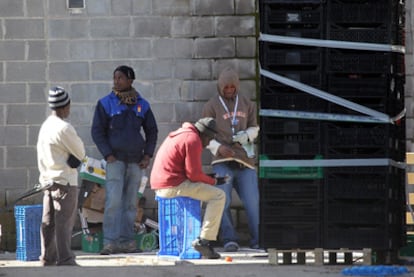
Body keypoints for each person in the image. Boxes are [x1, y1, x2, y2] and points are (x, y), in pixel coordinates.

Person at [91, 65, 158, 255]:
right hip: (115, 161)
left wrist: (148, 155)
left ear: (130, 80)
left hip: (136, 162)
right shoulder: (105, 103)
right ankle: (110, 242)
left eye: (120, 78)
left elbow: (152, 131)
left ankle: (127, 241)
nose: (116, 81)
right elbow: (97, 131)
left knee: (130, 203)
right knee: (113, 202)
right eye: (115, 78)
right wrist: (107, 154)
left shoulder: (142, 105)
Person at [150, 117, 226, 259]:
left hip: (163, 184)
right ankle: (204, 241)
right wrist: (213, 181)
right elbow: (194, 174)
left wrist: (208, 178)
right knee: (218, 195)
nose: (208, 143)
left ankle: (202, 240)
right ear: (205, 135)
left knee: (205, 190)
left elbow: (188, 172)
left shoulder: (180, 133)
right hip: (172, 186)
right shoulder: (193, 140)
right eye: (209, 139)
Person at [202, 67, 260, 252]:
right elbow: (203, 134)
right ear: (220, 87)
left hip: (245, 161)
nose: (229, 90)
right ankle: (229, 239)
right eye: (226, 87)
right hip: (222, 162)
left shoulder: (246, 104)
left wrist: (247, 135)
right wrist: (219, 148)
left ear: (237, 86)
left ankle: (258, 240)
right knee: (222, 200)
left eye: (232, 87)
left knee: (253, 202)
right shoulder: (211, 105)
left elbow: (255, 127)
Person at [37, 86, 86, 266]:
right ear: (65, 106)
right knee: (64, 223)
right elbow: (80, 152)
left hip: (48, 180)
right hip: (64, 181)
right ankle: (65, 259)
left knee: (48, 222)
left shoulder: (45, 126)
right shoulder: (64, 128)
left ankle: (47, 258)